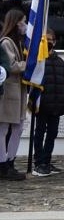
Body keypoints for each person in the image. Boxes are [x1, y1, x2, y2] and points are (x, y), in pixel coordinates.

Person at [31, 29, 64, 177]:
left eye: (51, 39)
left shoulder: (59, 61)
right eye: (46, 39)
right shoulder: (38, 60)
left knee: (52, 134)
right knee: (39, 133)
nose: (49, 42)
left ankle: (47, 161)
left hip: (56, 105)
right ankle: (39, 162)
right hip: (42, 105)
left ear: (54, 41)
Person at [0, 10, 28, 180]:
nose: (25, 25)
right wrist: (29, 64)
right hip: (8, 93)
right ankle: (3, 163)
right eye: (23, 22)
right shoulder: (6, 43)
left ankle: (10, 160)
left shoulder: (18, 42)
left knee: (17, 128)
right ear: (16, 22)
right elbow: (12, 66)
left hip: (18, 91)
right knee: (3, 128)